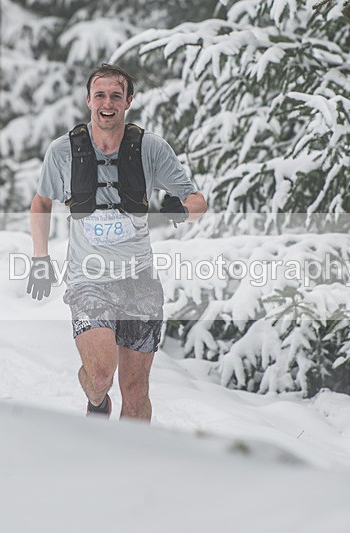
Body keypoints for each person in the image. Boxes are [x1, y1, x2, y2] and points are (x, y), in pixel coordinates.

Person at [27, 64, 207, 422]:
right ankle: (97, 403)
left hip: (139, 281)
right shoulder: (63, 151)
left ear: (128, 102)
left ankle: (130, 466)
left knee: (137, 391)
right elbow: (42, 202)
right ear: (88, 100)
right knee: (99, 377)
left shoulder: (151, 148)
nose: (107, 103)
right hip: (88, 280)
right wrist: (40, 258)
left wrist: (181, 211)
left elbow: (198, 202)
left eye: (115, 95)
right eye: (100, 95)